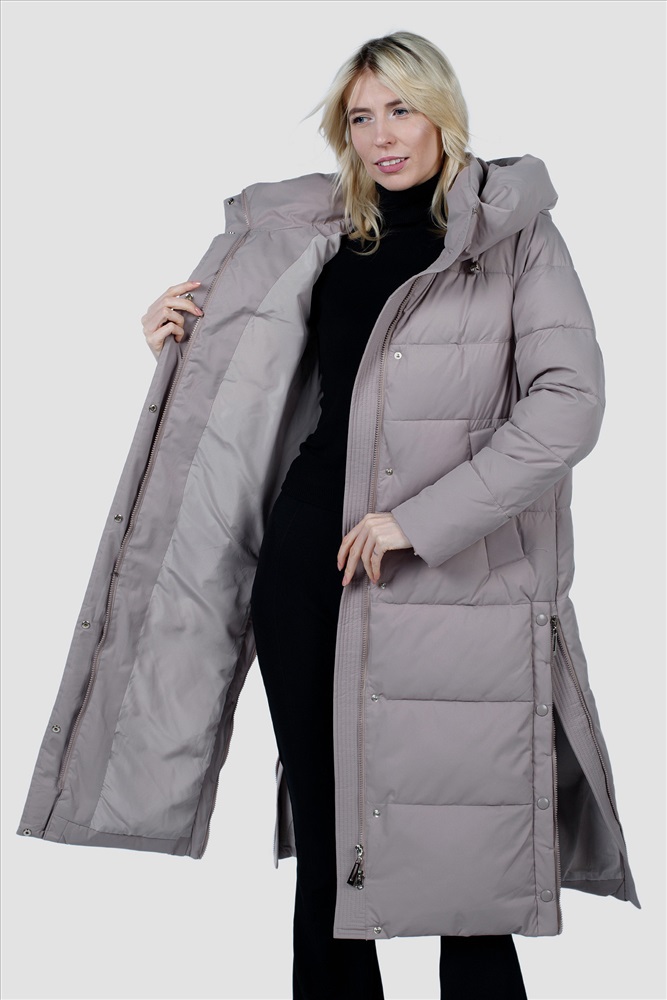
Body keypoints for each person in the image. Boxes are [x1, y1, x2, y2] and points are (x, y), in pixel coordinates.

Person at [141, 32, 530, 1000]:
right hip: (309, 551)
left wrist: (420, 521)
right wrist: (173, 343)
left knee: (458, 835)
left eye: (400, 110)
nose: (381, 135)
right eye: (360, 117)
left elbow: (568, 404)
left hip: (445, 567)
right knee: (328, 829)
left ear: (442, 113)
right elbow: (251, 375)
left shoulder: (511, 235)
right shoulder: (319, 232)